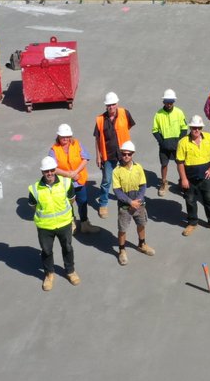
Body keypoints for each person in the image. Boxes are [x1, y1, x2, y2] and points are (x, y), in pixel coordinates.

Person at [29, 156, 79, 291]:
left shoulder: (66, 183)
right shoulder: (34, 189)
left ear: (55, 170)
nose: (49, 173)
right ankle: (49, 274)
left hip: (64, 224)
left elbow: (71, 200)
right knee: (46, 251)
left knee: (67, 248)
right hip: (45, 227)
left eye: (52, 170)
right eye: (46, 171)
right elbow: (33, 206)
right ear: (42, 172)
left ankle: (70, 271)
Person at [176, 116, 210, 235]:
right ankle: (192, 223)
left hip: (206, 177)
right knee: (190, 201)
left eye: (198, 127)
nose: (196, 130)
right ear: (190, 128)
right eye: (194, 127)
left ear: (201, 128)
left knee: (209, 200)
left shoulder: (209, 138)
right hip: (190, 178)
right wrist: (183, 179)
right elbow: (180, 162)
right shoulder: (183, 142)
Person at [111, 141, 155, 265]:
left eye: (129, 154)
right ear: (121, 154)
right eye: (124, 154)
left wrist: (138, 200)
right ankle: (122, 250)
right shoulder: (116, 171)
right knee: (122, 229)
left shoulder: (138, 167)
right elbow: (117, 191)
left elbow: (143, 185)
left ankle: (142, 244)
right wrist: (130, 202)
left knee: (141, 224)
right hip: (125, 207)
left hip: (139, 204)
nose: (126, 156)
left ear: (133, 154)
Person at [93, 91, 135, 219]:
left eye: (113, 104)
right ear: (106, 106)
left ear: (117, 104)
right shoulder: (100, 120)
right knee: (107, 180)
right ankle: (103, 204)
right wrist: (98, 156)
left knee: (126, 178)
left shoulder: (125, 113)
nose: (111, 107)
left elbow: (128, 127)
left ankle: (127, 201)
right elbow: (97, 138)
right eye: (108, 105)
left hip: (124, 153)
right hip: (108, 155)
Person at [50, 123, 97, 234]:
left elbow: (85, 158)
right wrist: (69, 175)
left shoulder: (77, 144)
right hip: (64, 183)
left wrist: (76, 172)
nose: (65, 139)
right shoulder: (54, 150)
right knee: (68, 204)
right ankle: (72, 223)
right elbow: (52, 168)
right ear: (58, 137)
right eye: (63, 136)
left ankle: (85, 224)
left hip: (79, 180)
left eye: (67, 136)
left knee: (82, 202)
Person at [151, 89, 187, 196]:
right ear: (164, 102)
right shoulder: (158, 114)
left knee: (180, 163)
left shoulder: (179, 112)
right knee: (164, 164)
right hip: (164, 145)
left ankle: (182, 181)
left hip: (177, 145)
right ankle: (163, 182)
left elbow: (184, 128)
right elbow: (155, 130)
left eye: (171, 102)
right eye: (167, 102)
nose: (169, 104)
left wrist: (179, 141)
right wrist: (161, 142)